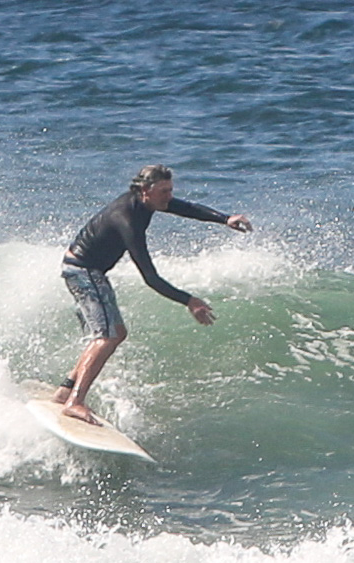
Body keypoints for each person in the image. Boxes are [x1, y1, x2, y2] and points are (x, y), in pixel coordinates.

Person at [53, 164, 253, 424]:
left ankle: (65, 391)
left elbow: (185, 208)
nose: (169, 197)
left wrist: (224, 219)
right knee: (107, 337)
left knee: (114, 334)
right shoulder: (126, 218)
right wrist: (188, 300)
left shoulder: (147, 203)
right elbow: (150, 278)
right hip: (83, 272)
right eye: (164, 192)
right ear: (146, 191)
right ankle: (75, 402)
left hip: (89, 272)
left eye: (170, 190)